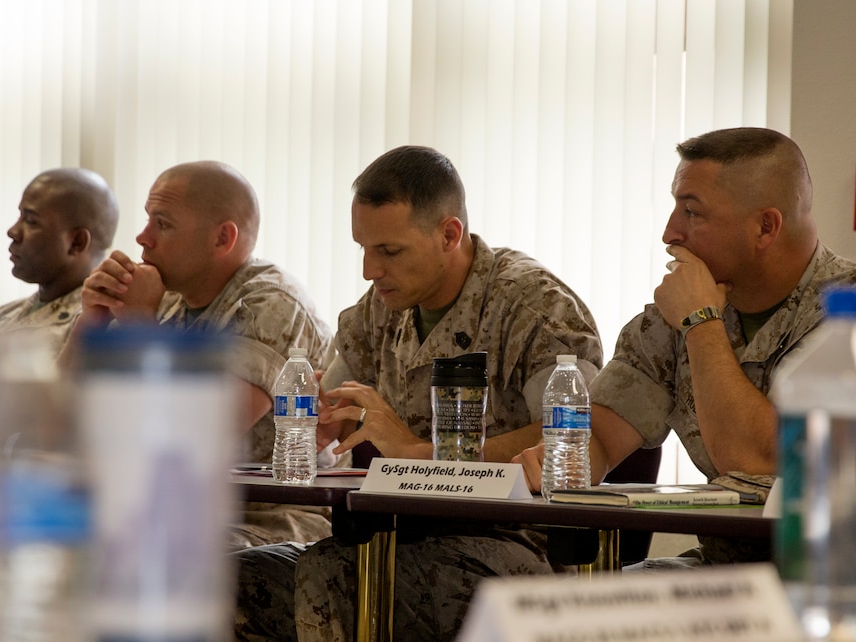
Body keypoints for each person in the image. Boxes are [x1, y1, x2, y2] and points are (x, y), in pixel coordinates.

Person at [514, 127, 856, 567]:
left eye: (692, 213)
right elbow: (603, 437)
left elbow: (761, 462)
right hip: (737, 566)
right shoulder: (680, 312)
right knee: (590, 612)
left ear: (766, 227)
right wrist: (563, 459)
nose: (670, 232)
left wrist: (701, 325)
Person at [232, 146, 605, 642]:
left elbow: (572, 439)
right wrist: (322, 419)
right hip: (395, 536)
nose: (369, 270)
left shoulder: (532, 306)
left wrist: (423, 455)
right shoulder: (382, 308)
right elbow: (335, 406)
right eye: (363, 248)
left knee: (335, 578)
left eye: (388, 251)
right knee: (227, 581)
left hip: (516, 545)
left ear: (449, 234)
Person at [68, 160, 336, 547]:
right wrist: (90, 321)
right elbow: (51, 422)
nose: (142, 238)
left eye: (162, 224)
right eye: (147, 221)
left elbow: (194, 437)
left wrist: (140, 325)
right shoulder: (167, 299)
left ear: (222, 238)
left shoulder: (271, 303)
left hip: (273, 517)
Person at [0, 168, 119, 360]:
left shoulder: (106, 331)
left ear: (76, 242)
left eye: (30, 221)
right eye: (20, 216)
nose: (13, 231)